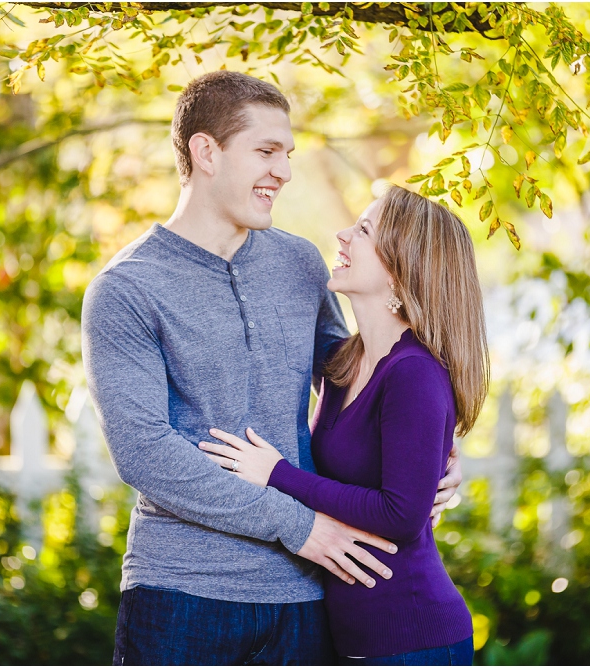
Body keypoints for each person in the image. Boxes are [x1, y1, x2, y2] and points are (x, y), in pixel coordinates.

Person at [81, 72, 462, 666]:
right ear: (206, 152)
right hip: (183, 592)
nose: (283, 171)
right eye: (265, 151)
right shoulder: (126, 289)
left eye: (287, 154)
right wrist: (298, 524)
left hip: (306, 594)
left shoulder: (300, 262)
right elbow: (145, 452)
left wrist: (439, 451)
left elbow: (357, 377)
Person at [198, 184, 488, 665]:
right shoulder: (343, 363)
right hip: (353, 641)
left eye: (364, 229)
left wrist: (276, 474)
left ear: (400, 271)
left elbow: (401, 516)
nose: (343, 235)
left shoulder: (414, 372)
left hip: (413, 640)